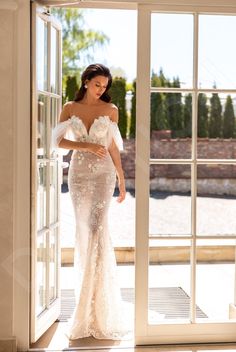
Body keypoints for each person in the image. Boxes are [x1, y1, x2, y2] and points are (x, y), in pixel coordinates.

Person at [51, 64, 131, 340]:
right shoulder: (70, 107)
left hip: (103, 175)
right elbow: (58, 141)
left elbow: (111, 147)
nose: (102, 89)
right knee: (84, 232)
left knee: (97, 230)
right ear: (86, 82)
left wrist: (121, 178)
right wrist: (84, 146)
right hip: (79, 174)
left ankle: (97, 307)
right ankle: (84, 304)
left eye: (105, 86)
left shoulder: (111, 111)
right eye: (97, 84)